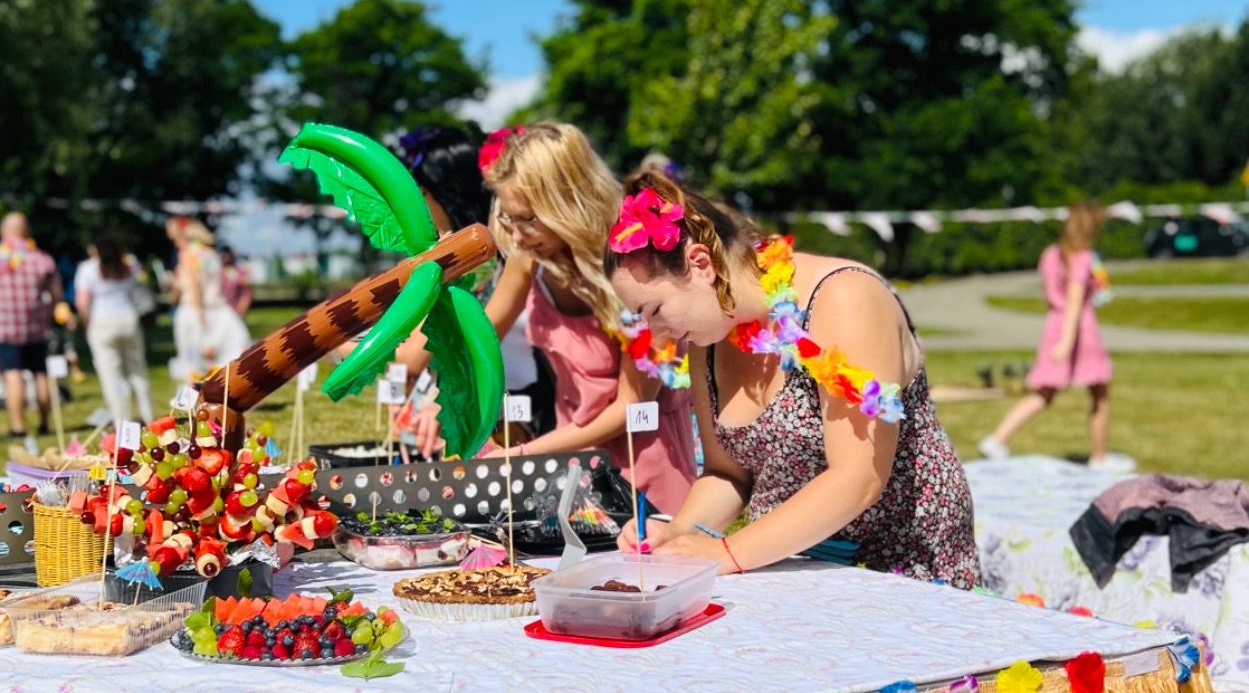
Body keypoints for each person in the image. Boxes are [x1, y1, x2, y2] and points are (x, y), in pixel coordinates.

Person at [605, 174, 979, 584]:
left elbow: (858, 478)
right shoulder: (709, 333)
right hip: (792, 570)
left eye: (655, 310)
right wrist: (678, 532)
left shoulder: (843, 297)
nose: (655, 334)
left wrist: (729, 551)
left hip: (900, 573)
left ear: (700, 264)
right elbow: (728, 474)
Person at [479, 123, 696, 511]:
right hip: (572, 461)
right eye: (509, 219)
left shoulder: (635, 264)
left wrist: (523, 454)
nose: (516, 235)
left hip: (642, 464)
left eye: (528, 219)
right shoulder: (529, 256)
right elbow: (477, 340)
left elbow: (632, 407)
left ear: (568, 203)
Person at [392, 123, 553, 450]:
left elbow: (412, 358)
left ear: (437, 191)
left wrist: (343, 347)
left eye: (416, 192)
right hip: (454, 419)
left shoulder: (510, 260)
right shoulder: (460, 259)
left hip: (513, 424)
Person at [979, 202, 1131, 467]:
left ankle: (996, 440)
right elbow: (1074, 303)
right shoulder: (1082, 258)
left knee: (1043, 393)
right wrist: (1067, 342)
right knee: (1100, 395)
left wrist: (1059, 337)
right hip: (1078, 331)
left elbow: (1049, 295)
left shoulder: (1050, 254)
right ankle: (1099, 457)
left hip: (1053, 326)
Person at [0, 213, 62, 453]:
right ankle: (44, 424)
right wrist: (51, 316)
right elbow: (56, 292)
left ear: (3, 230)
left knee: (13, 376)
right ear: (27, 231)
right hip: (35, 326)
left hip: (4, 327)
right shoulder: (42, 259)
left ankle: (19, 426)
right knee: (40, 374)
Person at [75, 233, 154, 428]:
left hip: (102, 322)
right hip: (129, 319)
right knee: (138, 371)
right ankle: (149, 416)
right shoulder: (128, 266)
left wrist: (85, 322)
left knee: (112, 376)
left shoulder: (87, 269)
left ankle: (123, 422)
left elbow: (83, 303)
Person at [166, 218, 250, 381]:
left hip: (194, 309)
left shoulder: (188, 253)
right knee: (230, 350)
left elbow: (194, 285)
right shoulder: (210, 253)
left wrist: (198, 313)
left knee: (194, 359)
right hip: (219, 308)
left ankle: (196, 397)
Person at [218, 245, 255, 320]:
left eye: (227, 254)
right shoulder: (217, 271)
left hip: (234, 313)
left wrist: (239, 313)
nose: (225, 257)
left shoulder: (240, 272)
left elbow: (247, 294)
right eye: (223, 255)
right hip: (218, 313)